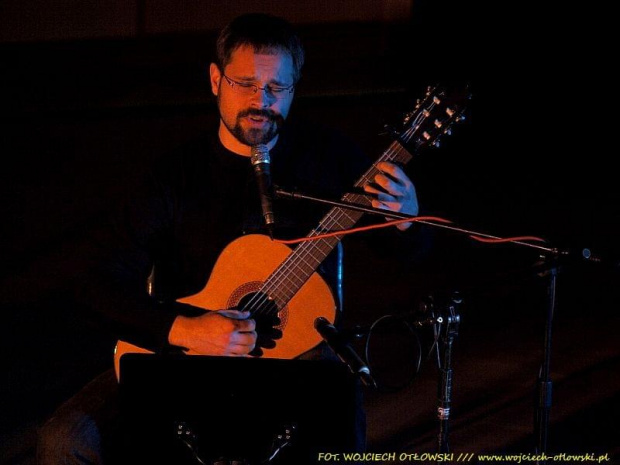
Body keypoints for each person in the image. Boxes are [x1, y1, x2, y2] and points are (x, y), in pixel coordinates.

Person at [37, 12, 418, 464]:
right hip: (182, 358)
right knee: (64, 441)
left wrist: (406, 220)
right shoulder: (174, 176)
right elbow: (95, 280)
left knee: (338, 427)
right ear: (215, 79)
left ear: (295, 87)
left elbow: (402, 252)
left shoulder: (330, 158)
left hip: (299, 357)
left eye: (277, 88)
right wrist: (188, 329)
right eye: (245, 84)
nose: (262, 100)